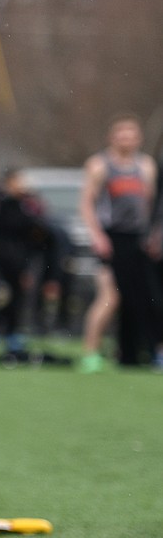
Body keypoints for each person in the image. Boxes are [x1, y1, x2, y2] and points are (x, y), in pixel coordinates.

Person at [78, 113, 161, 369]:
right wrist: (97, 235)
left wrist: (155, 235)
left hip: (138, 240)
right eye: (121, 133)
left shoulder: (146, 166)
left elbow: (152, 205)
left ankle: (131, 353)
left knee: (141, 297)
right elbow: (87, 203)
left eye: (131, 133)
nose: (126, 138)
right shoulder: (99, 165)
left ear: (139, 138)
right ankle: (90, 353)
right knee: (110, 297)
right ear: (112, 137)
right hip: (110, 239)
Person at [0, 168, 51, 360]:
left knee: (18, 300)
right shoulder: (6, 205)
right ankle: (4, 333)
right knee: (7, 300)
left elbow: (38, 230)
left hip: (21, 259)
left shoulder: (25, 204)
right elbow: (17, 229)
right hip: (9, 261)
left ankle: (13, 336)